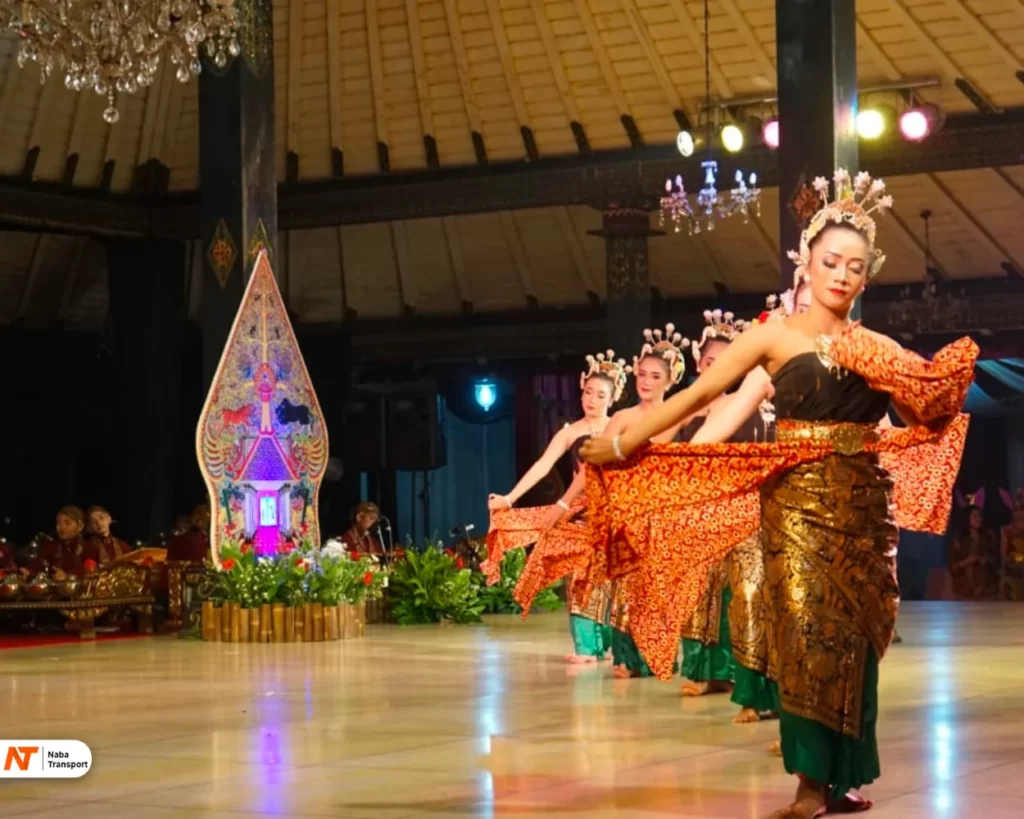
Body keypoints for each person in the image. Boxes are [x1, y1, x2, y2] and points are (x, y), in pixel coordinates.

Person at [579, 169, 975, 818]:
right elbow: (696, 397)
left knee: (853, 641)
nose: (841, 275)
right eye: (830, 262)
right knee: (801, 631)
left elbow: (922, 417)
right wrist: (623, 445)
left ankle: (843, 779)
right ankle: (809, 785)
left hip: (863, 511)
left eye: (855, 267)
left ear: (866, 278)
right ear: (807, 264)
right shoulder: (772, 337)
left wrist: (932, 392)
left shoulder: (877, 347)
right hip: (793, 508)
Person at [487, 351, 626, 663]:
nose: (592, 400)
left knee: (611, 580)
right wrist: (509, 498)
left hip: (616, 511)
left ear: (613, 398)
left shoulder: (621, 428)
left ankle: (605, 645)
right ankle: (586, 648)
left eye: (600, 395)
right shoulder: (570, 431)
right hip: (577, 511)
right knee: (577, 575)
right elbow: (542, 465)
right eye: (588, 392)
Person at [675, 310, 778, 724]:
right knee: (715, 594)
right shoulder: (706, 408)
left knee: (758, 597)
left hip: (769, 510)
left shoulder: (771, 397)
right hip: (715, 512)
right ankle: (722, 677)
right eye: (710, 362)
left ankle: (762, 691)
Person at [948, 497, 998, 599]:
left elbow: (996, 559)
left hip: (986, 587)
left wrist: (987, 559)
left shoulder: (988, 536)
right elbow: (952, 566)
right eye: (975, 516)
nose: (979, 519)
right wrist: (966, 562)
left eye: (980, 516)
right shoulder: (959, 539)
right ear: (967, 519)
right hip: (963, 588)